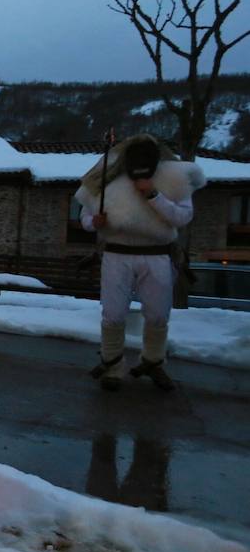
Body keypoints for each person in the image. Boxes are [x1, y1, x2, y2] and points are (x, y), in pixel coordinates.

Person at [75, 135, 205, 392]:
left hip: (156, 255)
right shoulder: (108, 180)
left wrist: (153, 195)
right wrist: (94, 223)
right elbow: (85, 217)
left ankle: (153, 361)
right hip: (116, 254)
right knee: (112, 313)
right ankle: (112, 365)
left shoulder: (174, 180)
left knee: (158, 314)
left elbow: (182, 217)